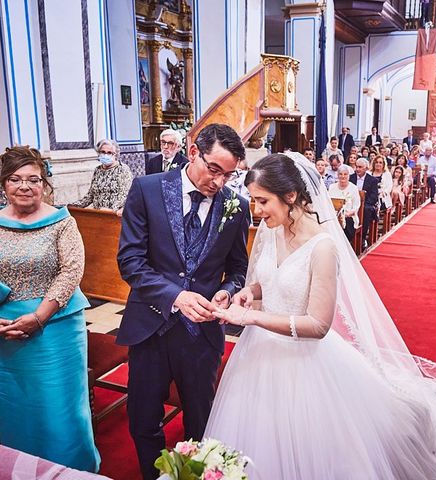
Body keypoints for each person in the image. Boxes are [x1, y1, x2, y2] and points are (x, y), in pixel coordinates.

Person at [205, 152, 436, 479]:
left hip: (303, 361)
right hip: (258, 355)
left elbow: (318, 325)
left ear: (290, 196)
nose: (255, 211)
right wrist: (250, 293)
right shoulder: (271, 230)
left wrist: (251, 318)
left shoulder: (322, 246)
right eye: (253, 201)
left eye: (262, 201)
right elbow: (271, 278)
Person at [117, 124, 250, 480]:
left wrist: (228, 289)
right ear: (193, 152)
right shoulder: (148, 189)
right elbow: (130, 261)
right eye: (214, 170)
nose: (220, 182)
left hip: (202, 335)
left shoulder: (236, 207)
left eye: (230, 174)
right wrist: (175, 295)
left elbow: (238, 267)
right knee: (143, 419)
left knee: (201, 420)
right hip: (150, 327)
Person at [0, 146, 100, 472]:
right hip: (5, 330)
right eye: (15, 179)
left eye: (33, 179)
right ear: (4, 184)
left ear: (45, 183)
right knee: (14, 407)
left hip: (55, 328)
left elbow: (71, 271)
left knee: (58, 409)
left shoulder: (61, 221)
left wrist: (39, 317)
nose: (24, 186)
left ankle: (69, 469)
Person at [70, 139, 133, 216]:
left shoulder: (123, 169)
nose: (105, 155)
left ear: (115, 154)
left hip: (113, 215)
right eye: (103, 152)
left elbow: (124, 195)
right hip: (97, 214)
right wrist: (73, 206)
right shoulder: (98, 170)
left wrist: (111, 210)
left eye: (109, 153)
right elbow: (90, 195)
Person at [351, 158, 379, 249]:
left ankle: (362, 237)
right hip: (352, 202)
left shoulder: (372, 180)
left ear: (366, 168)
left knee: (366, 210)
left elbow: (374, 196)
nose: (357, 169)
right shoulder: (351, 177)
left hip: (366, 204)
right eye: (356, 167)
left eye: (360, 167)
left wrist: (363, 204)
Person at [328, 165, 360, 240]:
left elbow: (356, 206)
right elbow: (328, 203)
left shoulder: (354, 188)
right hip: (333, 216)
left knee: (347, 224)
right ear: (337, 175)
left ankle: (344, 247)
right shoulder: (332, 187)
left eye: (345, 174)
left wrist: (346, 214)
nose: (343, 176)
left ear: (349, 176)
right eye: (340, 174)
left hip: (348, 216)